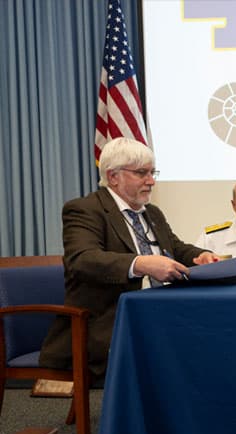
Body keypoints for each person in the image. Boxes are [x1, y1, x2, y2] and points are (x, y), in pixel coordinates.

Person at [39, 137, 216, 377]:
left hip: (161, 310)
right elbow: (82, 260)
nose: (151, 181)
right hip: (111, 322)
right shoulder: (85, 209)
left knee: (213, 331)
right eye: (142, 173)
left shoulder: (151, 212)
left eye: (153, 173)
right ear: (113, 177)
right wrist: (141, 264)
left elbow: (175, 247)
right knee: (183, 346)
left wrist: (200, 255)